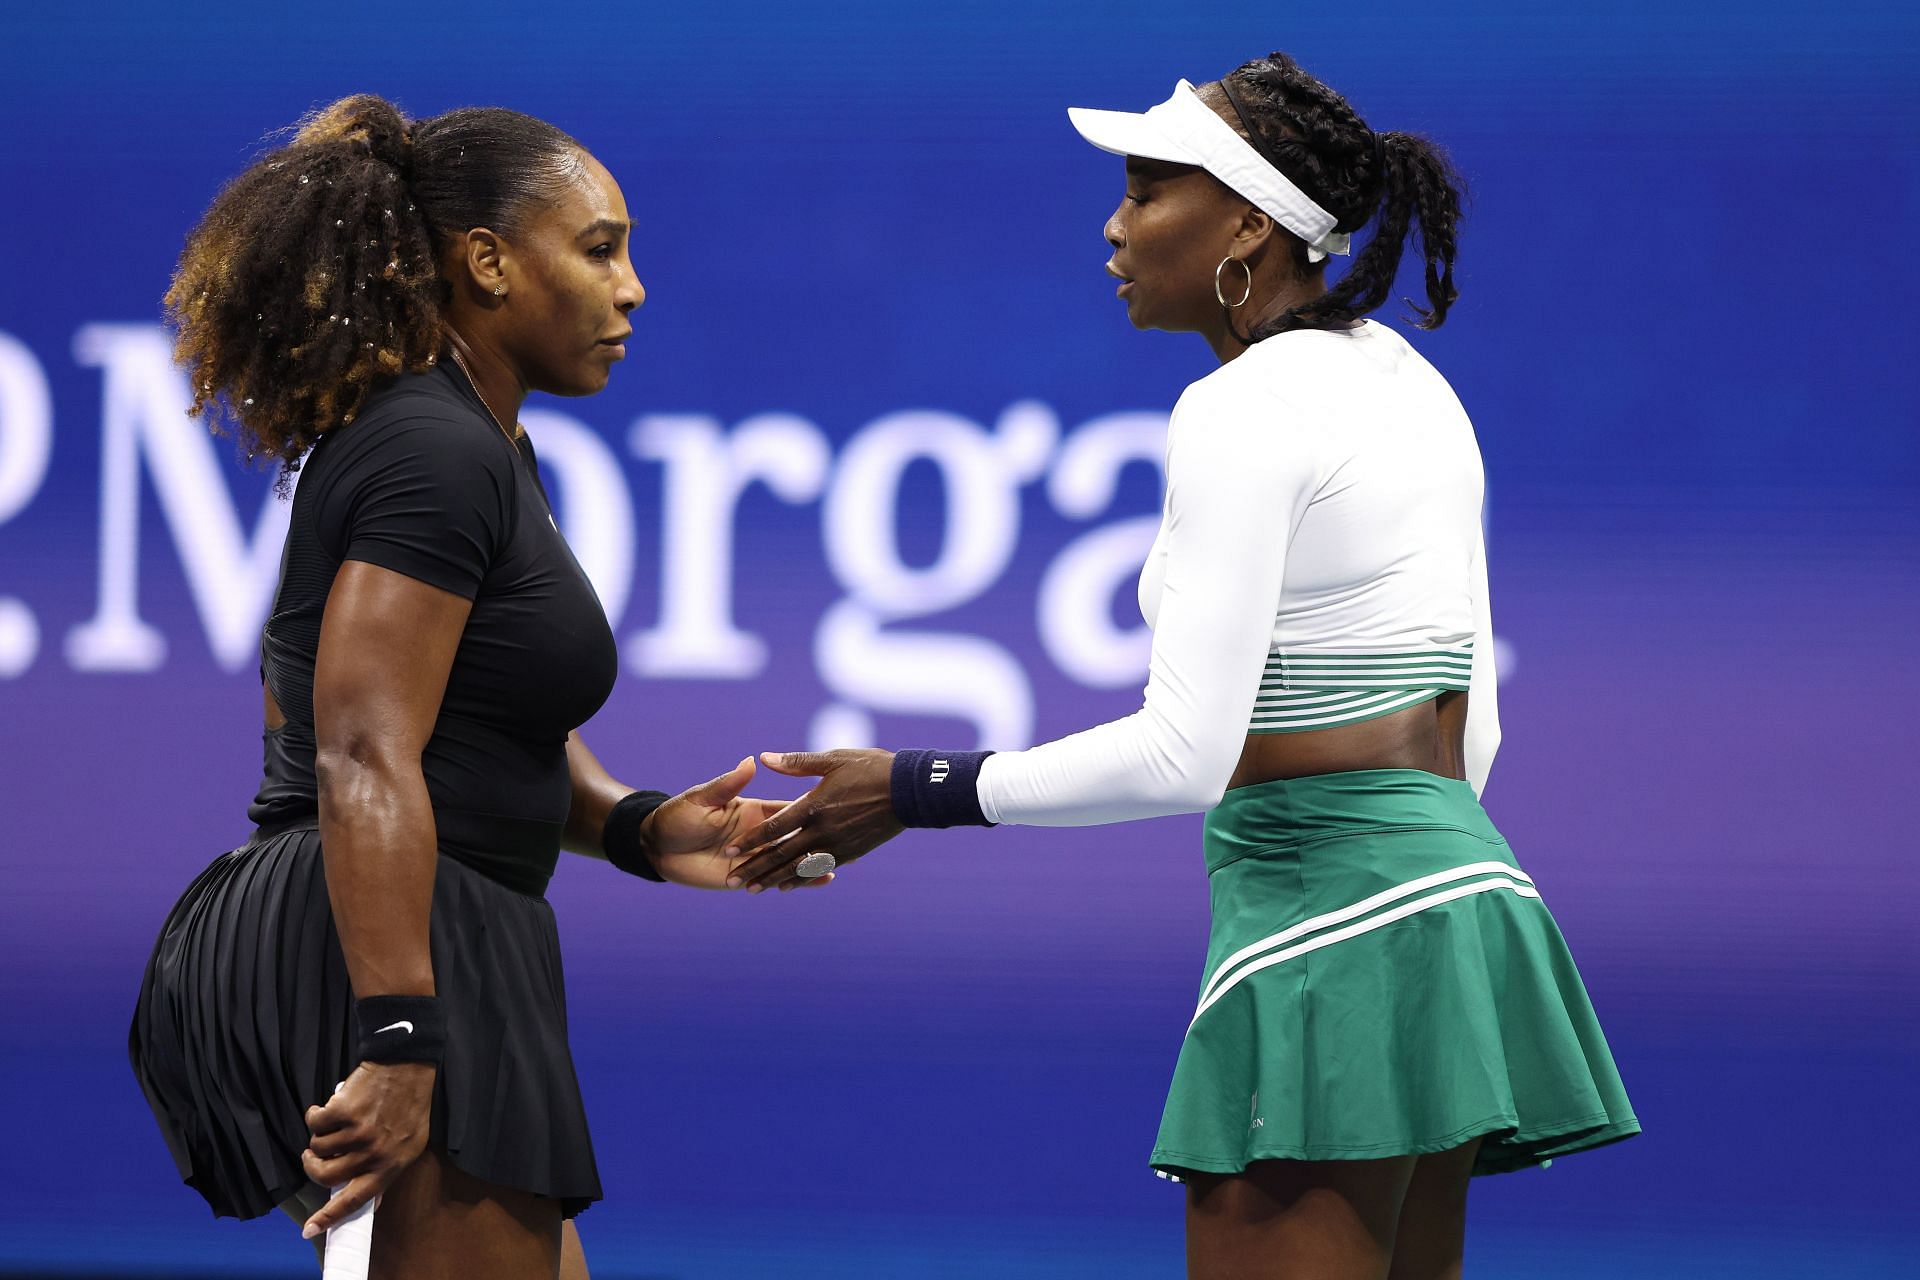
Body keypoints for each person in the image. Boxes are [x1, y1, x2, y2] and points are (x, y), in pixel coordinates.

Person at [729, 53, 1639, 1279]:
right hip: (1458, 903)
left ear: (1248, 223)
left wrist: (914, 786)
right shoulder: (1409, 382)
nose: (1114, 223)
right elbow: (1469, 737)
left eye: (1148, 190)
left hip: (1330, 927)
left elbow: (1183, 750)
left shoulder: (1242, 408)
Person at [128, 96, 827, 1279]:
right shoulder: (432, 448)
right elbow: (359, 747)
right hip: (390, 939)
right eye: (599, 246)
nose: (634, 285)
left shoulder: (483, 443)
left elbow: (476, 730)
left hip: (430, 922)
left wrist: (644, 826)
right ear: (489, 263)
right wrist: (398, 1037)